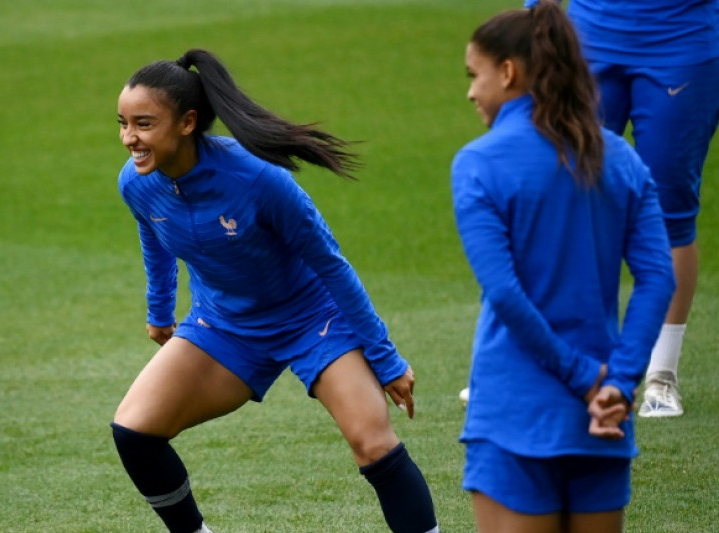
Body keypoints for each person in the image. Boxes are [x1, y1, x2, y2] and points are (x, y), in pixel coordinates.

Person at [112, 48, 439, 533]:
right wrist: (160, 311)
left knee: (374, 444)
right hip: (226, 325)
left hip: (313, 320)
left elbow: (333, 266)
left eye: (143, 123)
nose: (128, 138)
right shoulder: (138, 184)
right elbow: (154, 235)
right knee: (134, 431)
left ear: (187, 123)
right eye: (121, 123)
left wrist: (386, 360)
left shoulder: (260, 180)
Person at [452, 4, 676, 533]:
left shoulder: (479, 163)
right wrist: (617, 382)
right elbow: (659, 278)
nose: (470, 92)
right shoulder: (620, 159)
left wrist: (583, 378)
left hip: (514, 414)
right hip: (602, 421)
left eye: (474, 75)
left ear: (508, 72)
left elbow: (505, 294)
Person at [521, 0, 719, 417]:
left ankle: (661, 377)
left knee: (671, 211)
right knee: (563, 194)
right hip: (589, 33)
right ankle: (543, 361)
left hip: (682, 38)